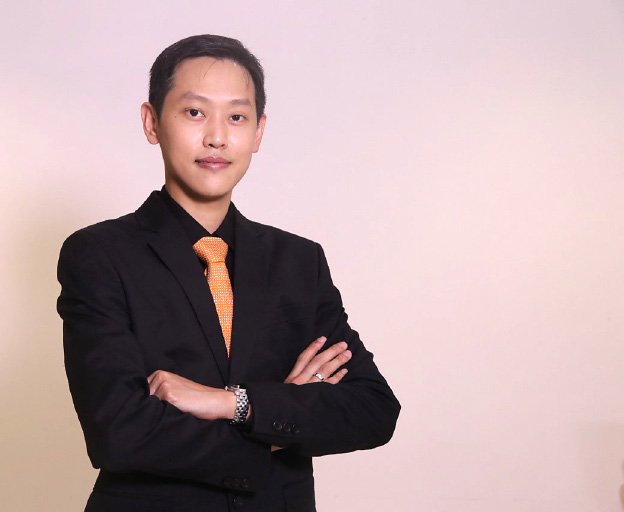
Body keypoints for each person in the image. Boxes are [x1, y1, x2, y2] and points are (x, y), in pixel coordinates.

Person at [57, 34, 400, 512]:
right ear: (152, 122)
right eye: (195, 112)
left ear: (259, 132)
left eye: (237, 117)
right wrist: (283, 417)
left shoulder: (299, 261)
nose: (217, 137)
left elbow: (372, 411)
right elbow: (120, 433)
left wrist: (232, 403)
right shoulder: (100, 255)